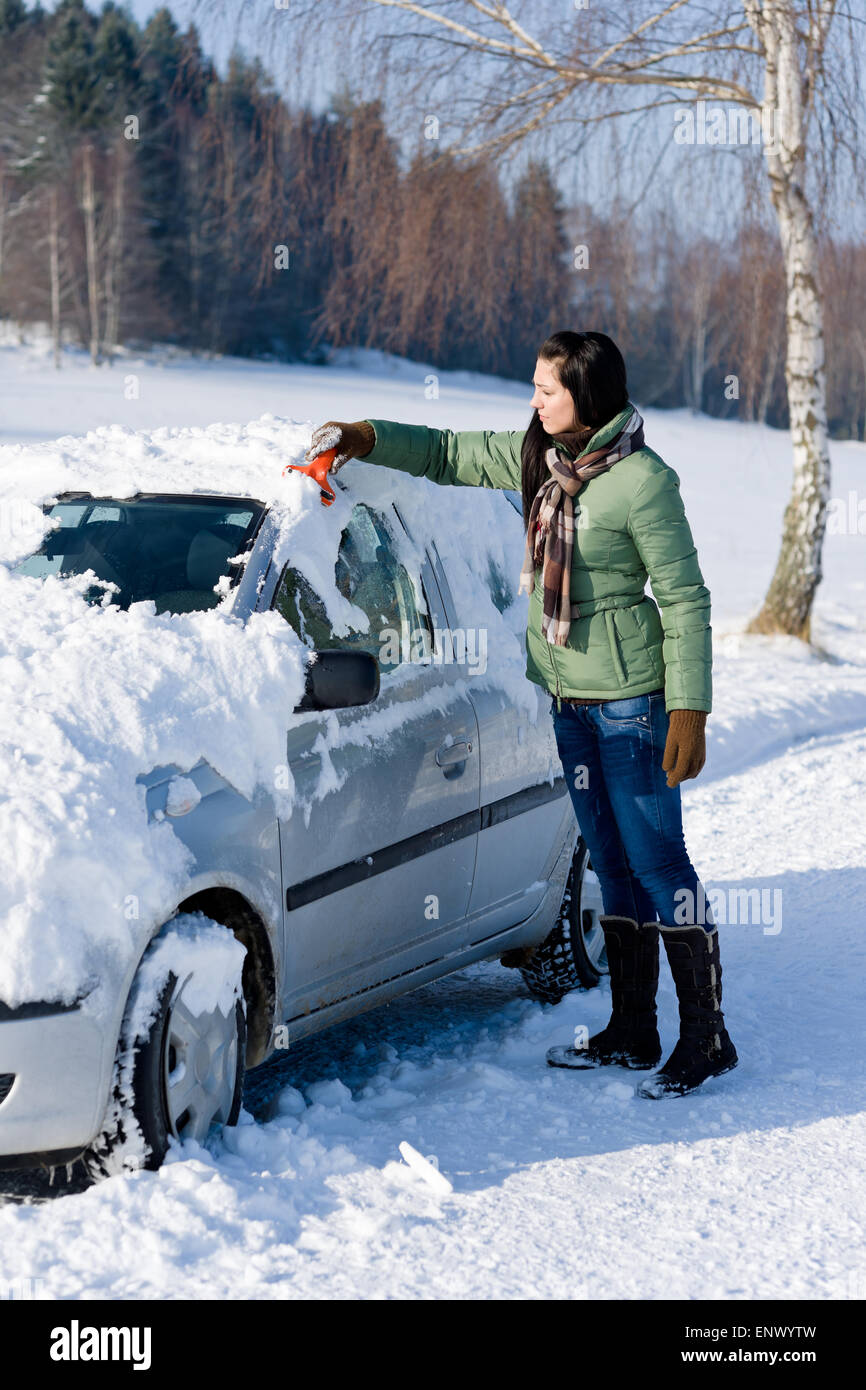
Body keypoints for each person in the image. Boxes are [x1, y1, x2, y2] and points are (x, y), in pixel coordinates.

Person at [303, 329, 737, 1098]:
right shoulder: (540, 458)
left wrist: (689, 708)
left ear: (588, 396)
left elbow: (685, 599)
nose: (533, 402)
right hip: (567, 700)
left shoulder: (644, 482)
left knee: (658, 861)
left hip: (633, 704)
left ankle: (706, 1036)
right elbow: (445, 453)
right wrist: (366, 437)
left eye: (547, 390)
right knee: (608, 862)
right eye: (534, 388)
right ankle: (634, 1029)